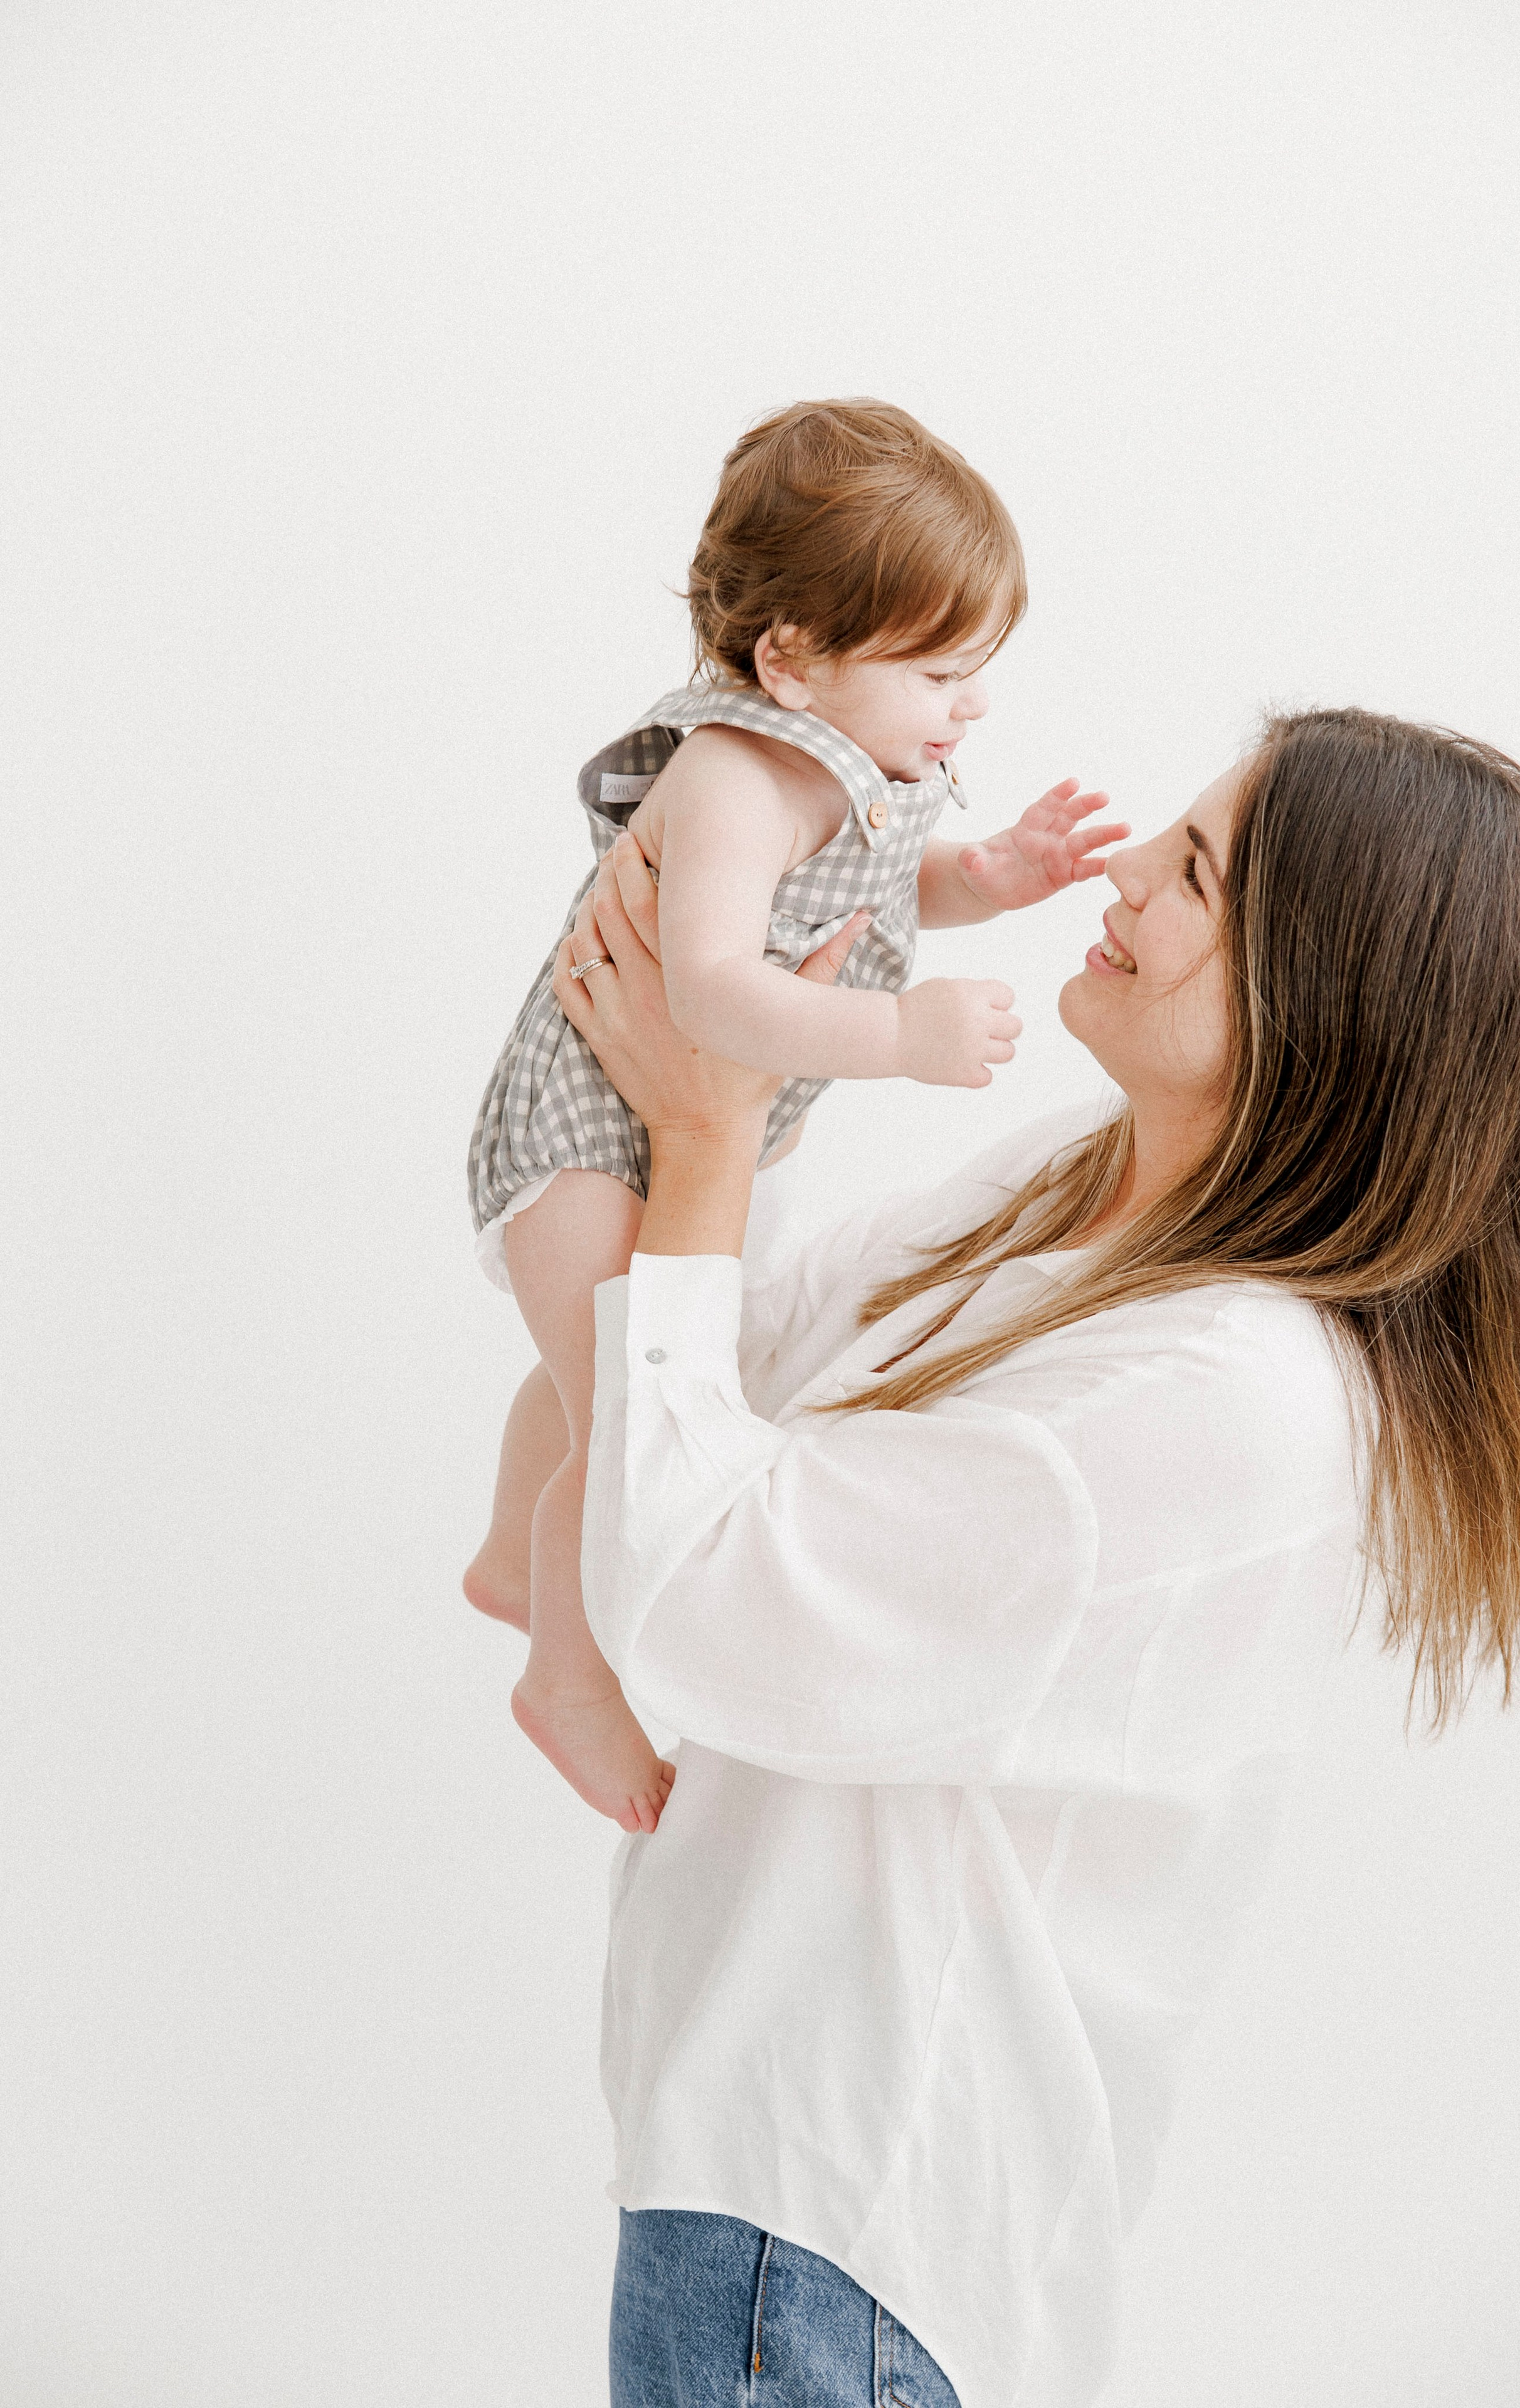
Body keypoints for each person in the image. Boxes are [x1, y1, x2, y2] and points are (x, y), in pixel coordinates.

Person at [549, 709, 1520, 2408]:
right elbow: (728, 1371)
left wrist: (711, 1137)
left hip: (833, 2236)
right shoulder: (1084, 1186)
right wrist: (738, 1049)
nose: (1117, 874)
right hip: (757, 2180)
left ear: (1327, 998)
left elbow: (692, 1596)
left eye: (1193, 874)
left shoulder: (1232, 1407)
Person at [463, 398, 1127, 1832]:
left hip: (672, 1138)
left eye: (979, 670)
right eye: (945, 670)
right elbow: (702, 988)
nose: (973, 705)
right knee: (627, 1407)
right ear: (792, 661)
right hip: (584, 1145)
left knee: (592, 1375)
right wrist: (895, 1033)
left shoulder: (856, 764)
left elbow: (888, 883)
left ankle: (518, 1555)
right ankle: (566, 1674)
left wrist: (992, 872)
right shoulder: (735, 778)